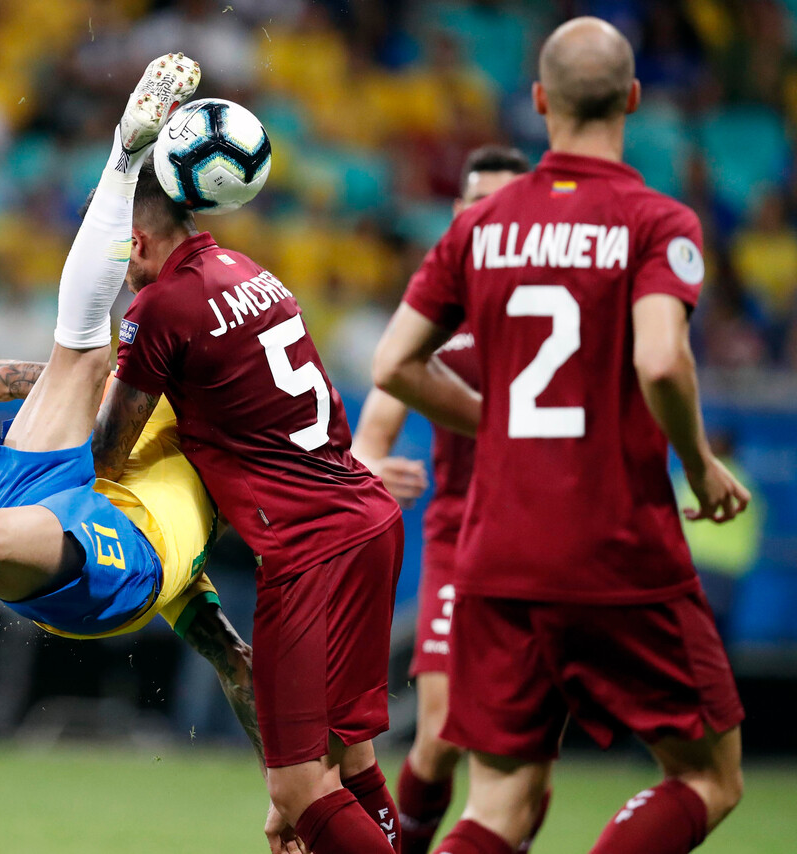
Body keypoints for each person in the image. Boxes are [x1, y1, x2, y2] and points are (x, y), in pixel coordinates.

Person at [0, 54, 265, 849]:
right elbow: (33, 377)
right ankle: (123, 154)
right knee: (79, 356)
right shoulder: (154, 386)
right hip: (64, 509)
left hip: (113, 557)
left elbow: (235, 660)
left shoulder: (198, 493)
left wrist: (292, 793)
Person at [373, 17, 748, 854]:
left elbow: (395, 364)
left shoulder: (479, 226)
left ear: (539, 101)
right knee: (708, 776)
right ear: (634, 99)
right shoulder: (658, 222)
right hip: (617, 549)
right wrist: (698, 465)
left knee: (497, 805)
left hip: (498, 553)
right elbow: (660, 361)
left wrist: (497, 423)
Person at [91, 103, 404, 854]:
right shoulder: (246, 270)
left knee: (295, 787)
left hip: (309, 550)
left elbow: (107, 452)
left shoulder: (160, 304)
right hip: (366, 518)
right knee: (348, 759)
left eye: (118, 254)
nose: (119, 270)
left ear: (136, 239)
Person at [350, 145, 546, 854]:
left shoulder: (557, 294)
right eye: (477, 202)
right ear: (458, 212)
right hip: (461, 536)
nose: (490, 214)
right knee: (439, 734)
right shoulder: (440, 298)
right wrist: (371, 463)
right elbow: (376, 420)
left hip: (548, 538)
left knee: (528, 742)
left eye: (506, 201)